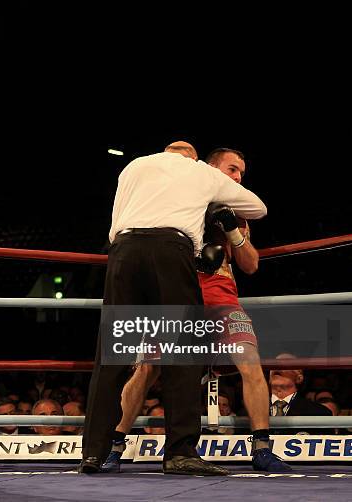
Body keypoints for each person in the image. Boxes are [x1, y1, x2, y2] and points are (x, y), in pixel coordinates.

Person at [79, 141, 267, 476]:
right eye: (233, 170)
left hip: (125, 252)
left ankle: (93, 452)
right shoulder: (199, 173)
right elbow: (259, 206)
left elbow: (118, 215)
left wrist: (230, 229)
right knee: (178, 360)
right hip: (171, 257)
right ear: (201, 162)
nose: (237, 177)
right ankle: (178, 453)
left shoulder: (134, 166)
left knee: (111, 358)